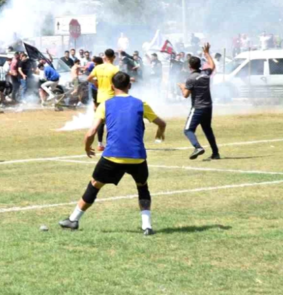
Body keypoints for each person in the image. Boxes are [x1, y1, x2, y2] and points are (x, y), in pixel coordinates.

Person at [59, 72, 166, 235]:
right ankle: (147, 226)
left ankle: (73, 219)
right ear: (129, 85)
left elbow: (91, 132)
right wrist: (160, 132)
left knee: (95, 184)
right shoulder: (140, 103)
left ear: (111, 86)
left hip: (113, 155)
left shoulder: (105, 104)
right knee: (142, 187)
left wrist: (87, 147)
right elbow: (161, 123)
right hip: (137, 157)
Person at [178, 43, 220, 160]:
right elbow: (212, 65)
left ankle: (197, 147)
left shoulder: (190, 79)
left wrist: (182, 86)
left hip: (198, 107)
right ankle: (215, 153)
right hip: (208, 106)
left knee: (187, 130)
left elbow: (186, 95)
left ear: (189, 66)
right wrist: (207, 53)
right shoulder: (205, 74)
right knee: (207, 129)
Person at [87, 49, 120, 151]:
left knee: (100, 121)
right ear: (114, 57)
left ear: (105, 56)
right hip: (111, 98)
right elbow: (118, 84)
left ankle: (100, 144)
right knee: (112, 121)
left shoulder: (98, 67)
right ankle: (111, 143)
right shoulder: (115, 69)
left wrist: (95, 83)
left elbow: (89, 78)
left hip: (100, 97)